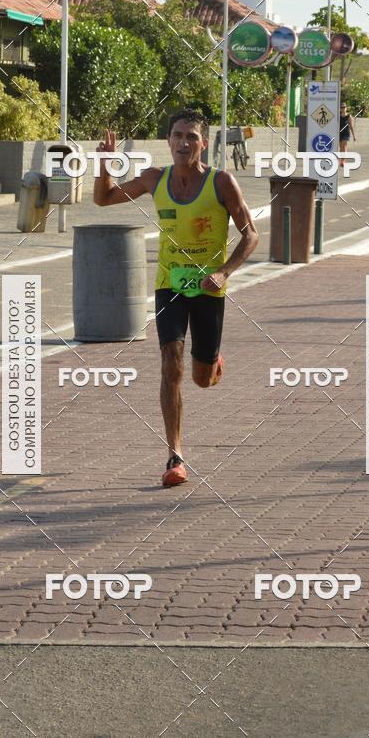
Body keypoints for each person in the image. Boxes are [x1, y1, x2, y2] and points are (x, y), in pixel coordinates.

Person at [93, 110, 259, 487]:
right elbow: (103, 199)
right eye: (177, 135)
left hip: (208, 288)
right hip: (169, 284)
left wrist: (224, 272)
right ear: (168, 141)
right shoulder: (155, 179)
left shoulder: (221, 183)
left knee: (201, 378)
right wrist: (104, 166)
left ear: (203, 143)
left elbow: (251, 234)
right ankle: (175, 456)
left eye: (191, 137)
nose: (184, 143)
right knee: (171, 364)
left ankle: (212, 363)